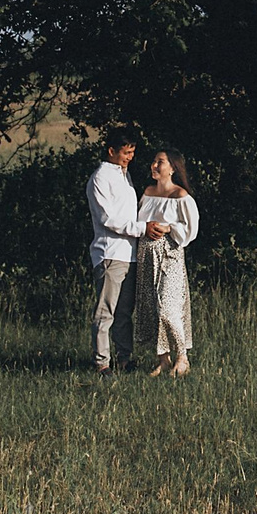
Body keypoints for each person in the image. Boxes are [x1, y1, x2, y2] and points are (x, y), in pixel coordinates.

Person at [84, 131, 170, 374]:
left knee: (124, 311)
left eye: (132, 152)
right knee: (106, 311)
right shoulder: (100, 178)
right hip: (110, 253)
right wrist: (143, 229)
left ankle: (124, 358)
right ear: (111, 151)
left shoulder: (125, 176)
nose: (130, 157)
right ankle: (102, 363)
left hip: (130, 253)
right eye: (125, 152)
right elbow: (108, 218)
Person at [132, 149, 201, 376]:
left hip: (169, 257)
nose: (153, 165)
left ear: (172, 168)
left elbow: (191, 231)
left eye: (159, 162)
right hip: (146, 257)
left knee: (167, 309)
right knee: (151, 307)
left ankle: (182, 358)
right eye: (153, 161)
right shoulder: (148, 193)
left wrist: (170, 228)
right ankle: (163, 360)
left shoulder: (180, 196)